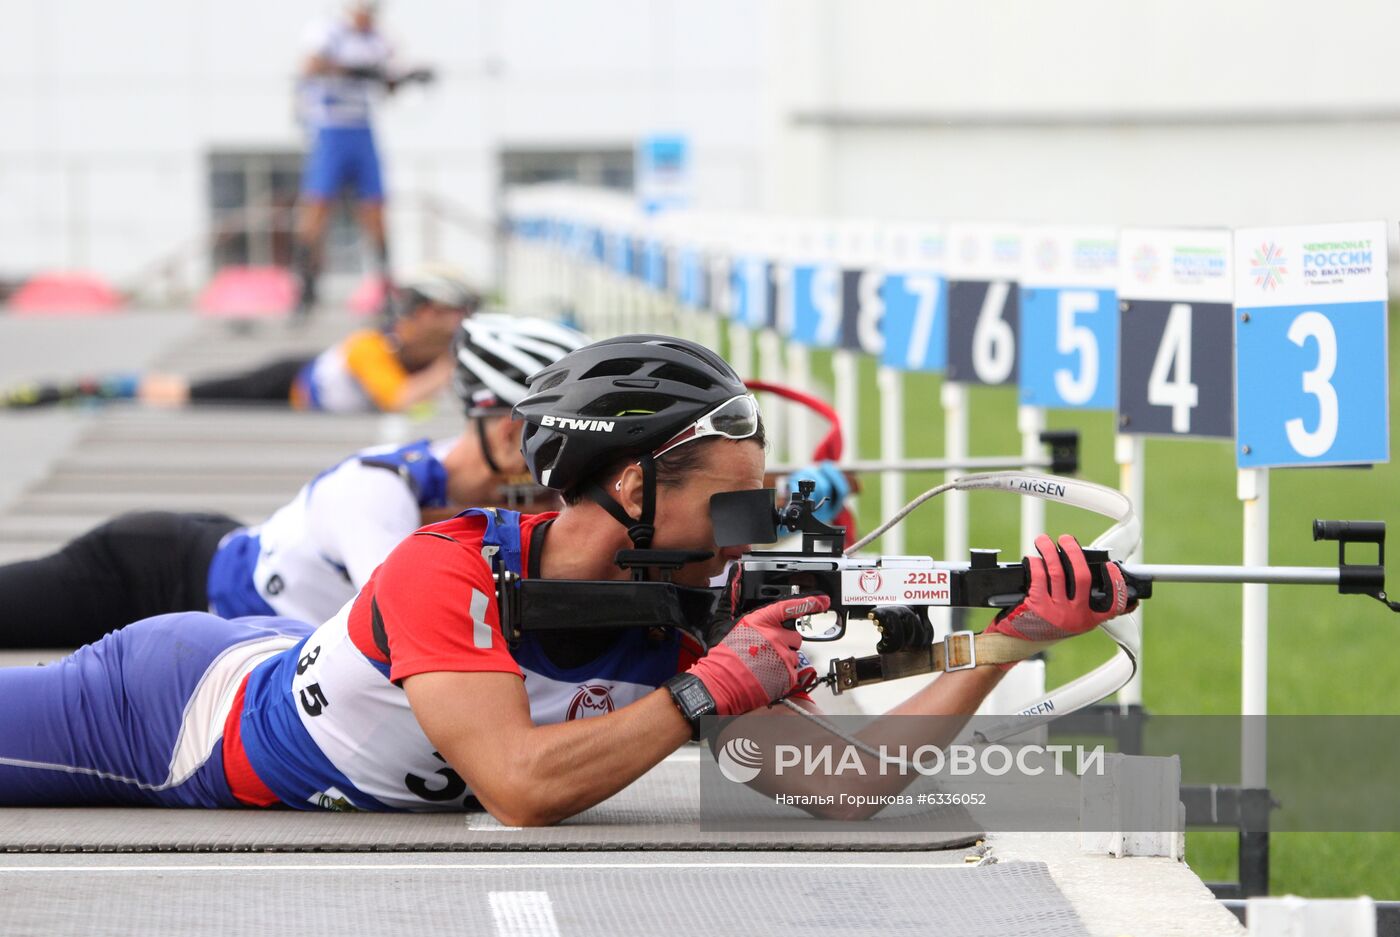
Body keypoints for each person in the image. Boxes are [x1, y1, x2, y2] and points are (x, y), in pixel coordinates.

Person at [0, 334, 1133, 816]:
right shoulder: (445, 565)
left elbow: (845, 787)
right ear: (628, 486)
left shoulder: (677, 614)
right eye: (730, 502)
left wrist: (1009, 640)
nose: (752, 529)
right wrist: (709, 693)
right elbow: (521, 787)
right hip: (163, 717)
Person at [0, 315, 588, 648]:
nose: (562, 480)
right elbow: (404, 626)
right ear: (510, 434)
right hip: (156, 574)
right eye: (556, 444)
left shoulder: (495, 481)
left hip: (236, 568)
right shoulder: (377, 489)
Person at [1, 264, 478, 413]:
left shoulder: (420, 350)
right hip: (285, 381)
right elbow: (398, 399)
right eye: (445, 315)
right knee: (183, 393)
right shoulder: (370, 346)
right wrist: (448, 367)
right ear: (419, 316)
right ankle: (85, 388)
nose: (454, 325)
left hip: (303, 394)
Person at [292, 0, 435, 321]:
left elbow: (387, 82)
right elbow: (310, 66)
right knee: (317, 208)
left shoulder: (380, 40)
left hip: (363, 129)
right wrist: (355, 70)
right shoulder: (327, 32)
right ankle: (305, 287)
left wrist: (410, 79)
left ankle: (385, 289)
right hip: (331, 127)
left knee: (375, 210)